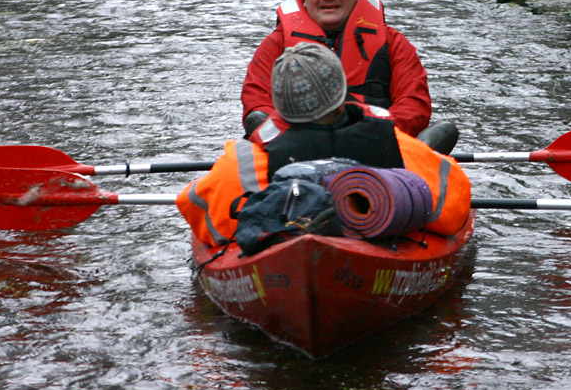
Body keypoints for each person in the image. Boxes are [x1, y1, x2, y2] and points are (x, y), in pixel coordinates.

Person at [177, 42, 471, 248]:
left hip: (283, 263)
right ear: (342, 95)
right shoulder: (398, 146)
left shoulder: (244, 162)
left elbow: (199, 214)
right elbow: (454, 213)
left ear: (279, 105)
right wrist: (433, 157)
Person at [241, 0, 456, 152]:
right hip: (296, 146)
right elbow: (257, 103)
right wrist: (306, 137)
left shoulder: (394, 43)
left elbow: (414, 105)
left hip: (375, 143)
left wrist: (364, 132)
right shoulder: (275, 45)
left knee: (446, 131)